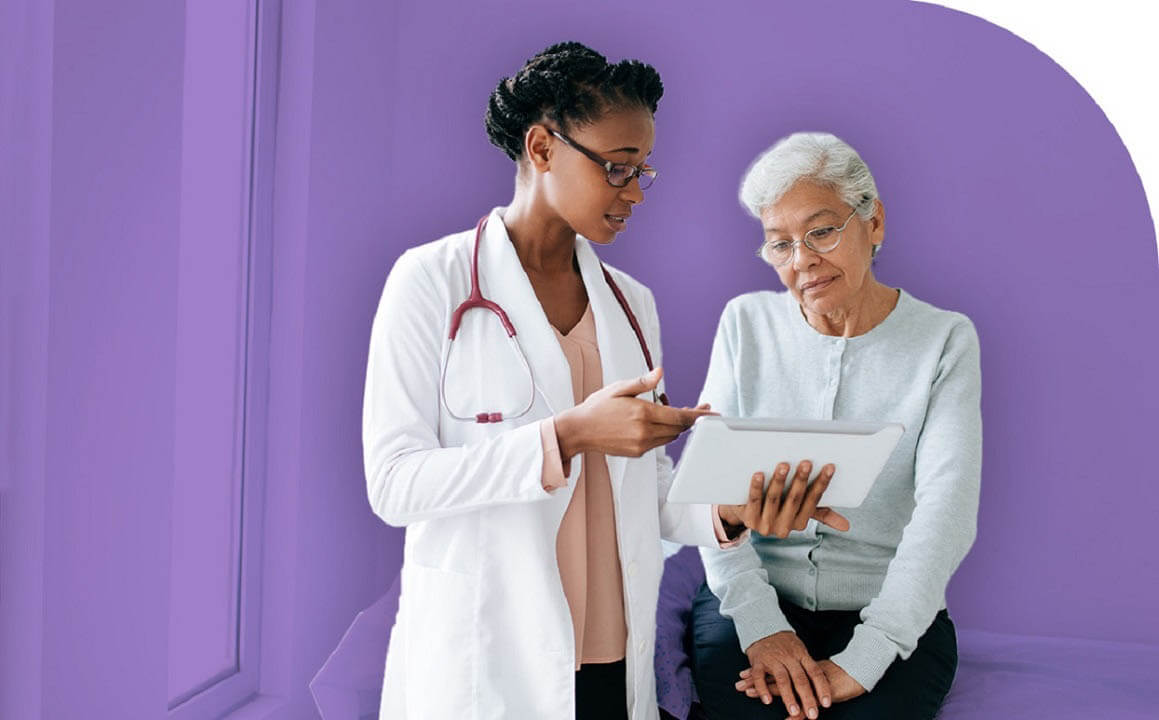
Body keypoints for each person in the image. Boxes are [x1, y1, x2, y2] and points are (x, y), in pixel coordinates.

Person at [362, 44, 846, 720]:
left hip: (609, 660)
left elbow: (643, 497)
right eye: (617, 167)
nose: (635, 191)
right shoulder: (430, 282)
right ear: (540, 147)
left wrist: (731, 510)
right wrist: (567, 435)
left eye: (642, 169)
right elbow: (394, 485)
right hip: (487, 659)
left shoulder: (631, 303)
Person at [690, 132, 981, 720]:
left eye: (821, 232)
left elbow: (946, 514)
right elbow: (707, 496)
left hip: (891, 607)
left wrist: (869, 653)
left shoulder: (944, 340)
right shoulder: (745, 324)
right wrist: (759, 624)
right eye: (779, 245)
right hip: (752, 597)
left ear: (873, 222)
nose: (802, 261)